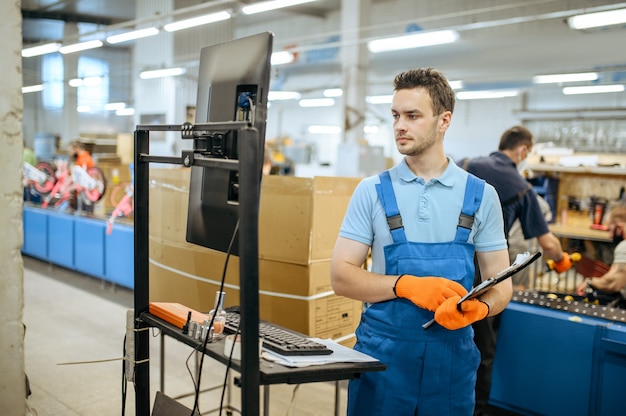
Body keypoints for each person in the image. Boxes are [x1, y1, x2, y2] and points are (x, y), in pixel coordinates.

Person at [330, 67, 512, 416]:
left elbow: (501, 285)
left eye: (413, 116)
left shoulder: (481, 196)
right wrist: (405, 285)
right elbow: (341, 275)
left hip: (452, 364)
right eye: (396, 115)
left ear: (444, 121)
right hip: (383, 361)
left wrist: (483, 308)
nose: (400, 125)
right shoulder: (372, 191)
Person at [462, 125, 574, 416]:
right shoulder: (521, 187)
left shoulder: (467, 164)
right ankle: (477, 410)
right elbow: (547, 243)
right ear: (523, 150)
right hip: (484, 273)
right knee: (483, 347)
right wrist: (562, 262)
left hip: (448, 263)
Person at [576, 205, 626, 297]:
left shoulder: (624, 247)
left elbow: (612, 283)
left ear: (619, 227)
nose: (611, 236)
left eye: (610, 230)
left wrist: (590, 281)